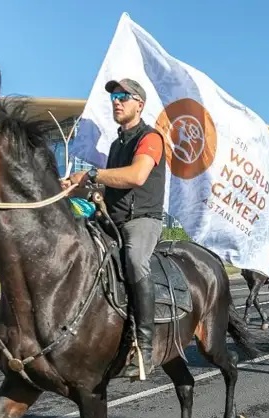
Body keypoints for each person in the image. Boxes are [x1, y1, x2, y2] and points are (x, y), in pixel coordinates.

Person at [62, 78, 165, 379]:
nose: (116, 101)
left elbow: (136, 176)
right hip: (112, 221)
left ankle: (145, 346)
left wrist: (92, 173)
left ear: (139, 104)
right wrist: (72, 188)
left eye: (123, 96)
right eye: (114, 97)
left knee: (134, 260)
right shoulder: (115, 144)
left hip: (142, 220)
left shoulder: (151, 138)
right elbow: (106, 190)